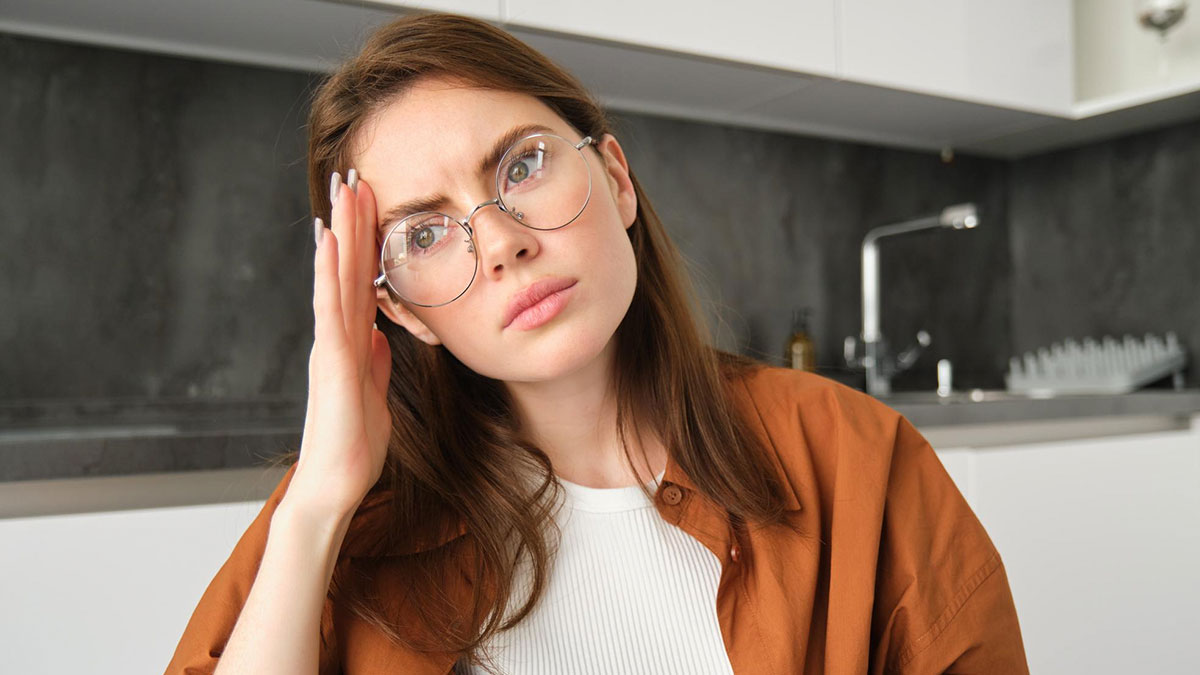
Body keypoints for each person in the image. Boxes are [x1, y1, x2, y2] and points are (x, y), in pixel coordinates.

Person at [164, 11, 1029, 675]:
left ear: (616, 180)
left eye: (521, 166)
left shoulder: (858, 455)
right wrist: (317, 503)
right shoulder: (334, 515)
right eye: (423, 233)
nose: (500, 240)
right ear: (402, 311)